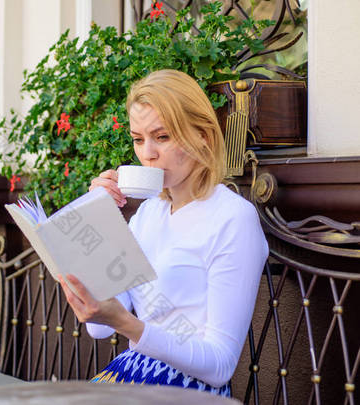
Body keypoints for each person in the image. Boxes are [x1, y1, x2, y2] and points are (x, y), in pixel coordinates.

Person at [57, 69, 269, 397]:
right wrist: (98, 218)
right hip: (132, 375)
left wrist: (128, 325)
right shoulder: (149, 214)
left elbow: (220, 366)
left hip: (186, 390)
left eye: (163, 136)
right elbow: (99, 327)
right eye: (138, 139)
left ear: (203, 136)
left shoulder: (232, 218)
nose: (148, 153)